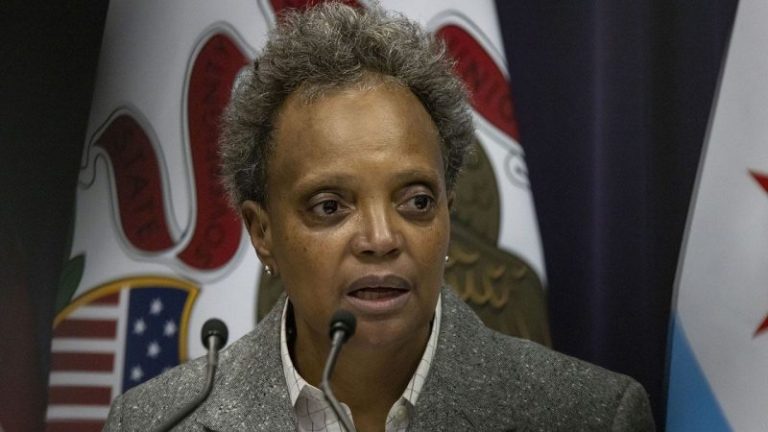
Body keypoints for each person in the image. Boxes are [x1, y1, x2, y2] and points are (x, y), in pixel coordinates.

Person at [104, 3, 655, 431]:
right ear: (262, 232)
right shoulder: (156, 422)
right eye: (330, 206)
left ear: (449, 216)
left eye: (416, 201)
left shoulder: (590, 415)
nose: (381, 238)